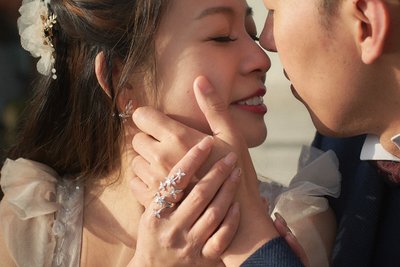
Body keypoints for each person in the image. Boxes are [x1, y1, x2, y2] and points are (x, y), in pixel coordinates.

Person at [0, 0, 309, 266]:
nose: (262, 59)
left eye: (251, 33)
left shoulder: (296, 223)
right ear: (120, 78)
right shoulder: (30, 224)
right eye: (222, 36)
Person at [130, 0, 400, 266]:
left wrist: (250, 239)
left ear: (366, 23)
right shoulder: (343, 149)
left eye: (273, 10)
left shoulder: (305, 211)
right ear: (121, 77)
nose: (265, 50)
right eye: (222, 37)